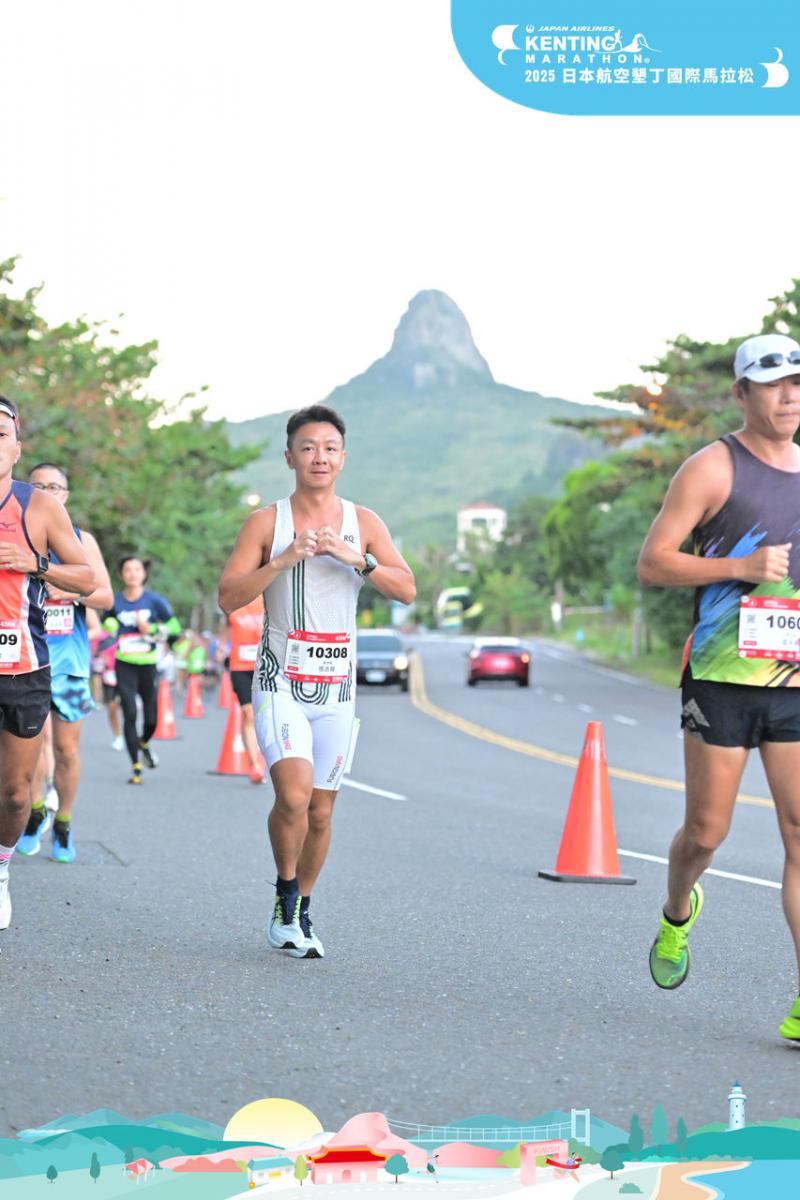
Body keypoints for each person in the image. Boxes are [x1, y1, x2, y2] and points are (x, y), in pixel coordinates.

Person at [637, 333, 800, 1039]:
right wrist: (740, 567)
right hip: (721, 678)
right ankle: (678, 910)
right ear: (741, 393)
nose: (789, 395)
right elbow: (653, 563)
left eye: (797, 381)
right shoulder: (711, 468)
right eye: (772, 383)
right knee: (707, 833)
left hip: (794, 680)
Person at [218, 403, 415, 959]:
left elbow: (406, 589)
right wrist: (281, 561)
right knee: (293, 795)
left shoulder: (364, 522)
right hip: (279, 680)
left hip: (337, 689)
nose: (319, 457)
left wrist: (357, 559)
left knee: (322, 812)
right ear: (290, 457)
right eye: (308, 448)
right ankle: (284, 899)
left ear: (342, 458)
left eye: (329, 448)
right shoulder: (266, 523)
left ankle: (302, 907)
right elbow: (228, 597)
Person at [0, 398, 94, 929]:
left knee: (16, 795)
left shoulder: (38, 507)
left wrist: (35, 563)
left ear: (17, 448)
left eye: (1, 433)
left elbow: (87, 578)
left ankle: (1, 870)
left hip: (24, 668)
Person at [16, 463, 114, 863]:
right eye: (38, 486)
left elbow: (106, 597)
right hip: (27, 659)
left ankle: (64, 823)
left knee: (67, 750)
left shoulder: (80, 540)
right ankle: (35, 812)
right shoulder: (19, 535)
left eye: (54, 486)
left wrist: (71, 591)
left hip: (69, 662)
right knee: (31, 745)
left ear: (66, 495)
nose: (47, 492)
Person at [103, 557, 181, 785]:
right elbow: (105, 622)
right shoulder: (115, 601)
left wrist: (152, 628)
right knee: (129, 713)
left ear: (143, 574)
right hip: (124, 662)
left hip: (148, 663)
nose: (132, 573)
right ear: (121, 575)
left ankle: (144, 742)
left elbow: (175, 627)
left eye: (137, 569)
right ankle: (135, 767)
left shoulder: (154, 601)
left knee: (151, 718)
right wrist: (111, 626)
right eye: (127, 570)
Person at [221, 595, 266, 784]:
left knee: (265, 715)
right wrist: (221, 647)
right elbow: (227, 626)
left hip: (264, 666)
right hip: (239, 667)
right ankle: (255, 764)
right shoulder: (235, 599)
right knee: (249, 714)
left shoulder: (267, 598)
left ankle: (270, 758)